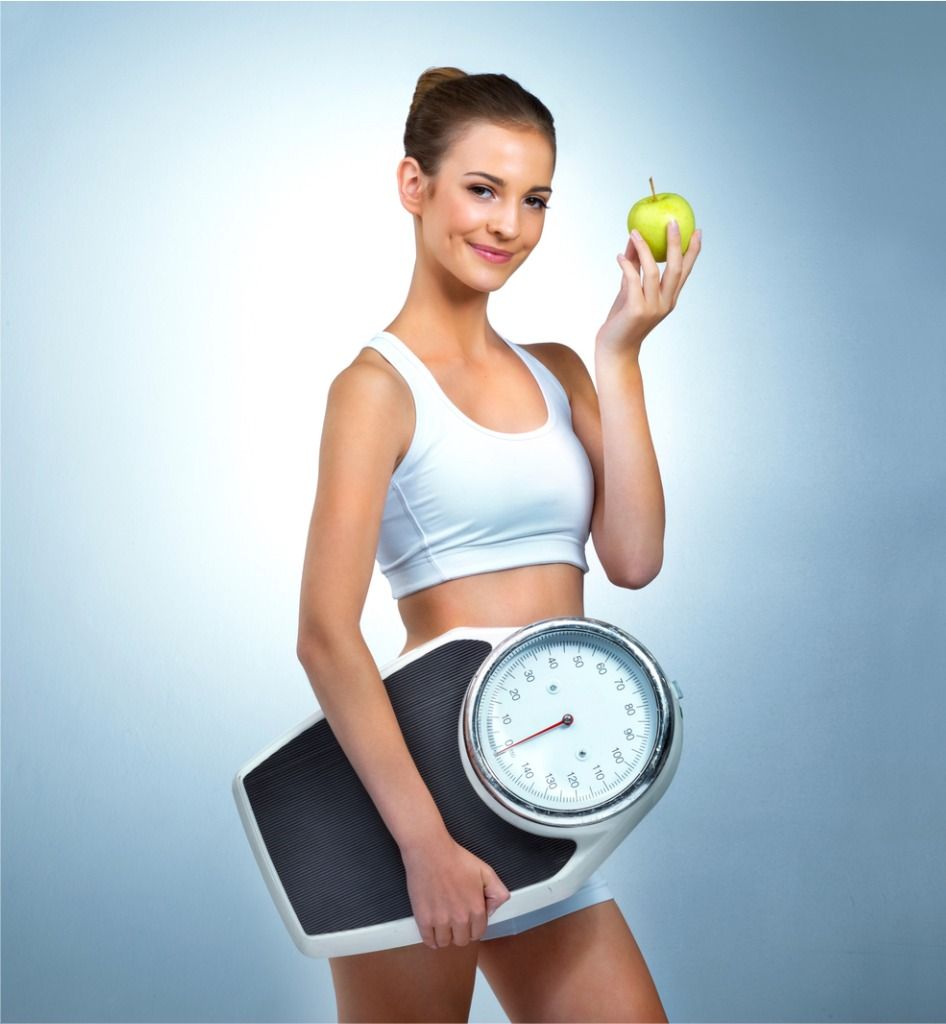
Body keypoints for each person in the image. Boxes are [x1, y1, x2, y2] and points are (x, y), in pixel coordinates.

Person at [295, 66, 701, 1024]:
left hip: (542, 792)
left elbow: (634, 558)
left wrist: (621, 352)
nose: (507, 224)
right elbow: (324, 633)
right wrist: (424, 844)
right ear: (414, 186)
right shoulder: (375, 389)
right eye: (482, 189)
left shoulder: (563, 371)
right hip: (415, 802)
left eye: (534, 199)